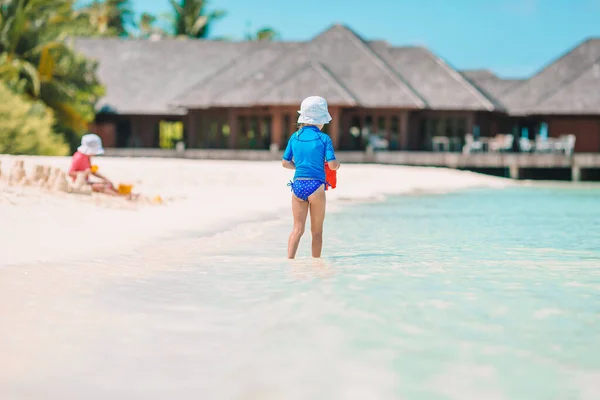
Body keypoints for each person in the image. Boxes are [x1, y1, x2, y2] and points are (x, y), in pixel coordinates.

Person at [282, 96, 341, 259]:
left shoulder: (295, 137)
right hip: (316, 186)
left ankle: (289, 261)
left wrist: (299, 167)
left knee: (297, 229)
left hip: (298, 185)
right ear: (321, 120)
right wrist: (338, 164)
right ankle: (316, 264)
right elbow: (332, 165)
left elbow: (285, 163)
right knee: (316, 231)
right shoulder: (324, 138)